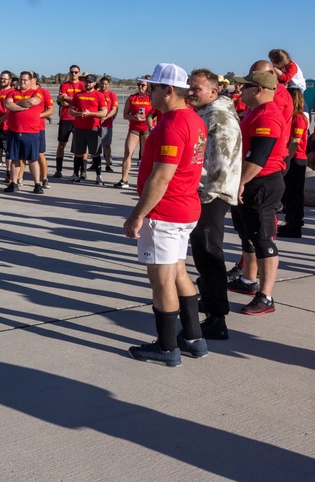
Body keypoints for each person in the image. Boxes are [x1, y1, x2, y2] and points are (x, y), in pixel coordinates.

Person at [123, 63, 208, 367]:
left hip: (165, 211)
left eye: (154, 88)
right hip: (185, 207)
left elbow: (161, 178)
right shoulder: (193, 119)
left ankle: (167, 346)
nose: (148, 93)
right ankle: (194, 338)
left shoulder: (173, 124)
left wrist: (137, 215)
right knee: (179, 272)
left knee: (161, 280)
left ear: (168, 90)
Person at [227, 70, 288, 316]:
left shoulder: (268, 116)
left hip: (260, 182)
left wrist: (241, 182)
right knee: (248, 236)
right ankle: (248, 281)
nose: (240, 91)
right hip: (249, 181)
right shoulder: (254, 112)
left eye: (246, 87)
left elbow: (260, 157)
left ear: (259, 89)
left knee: (264, 240)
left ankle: (266, 296)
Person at [186, 69, 242, 340]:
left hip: (211, 195)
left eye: (196, 88)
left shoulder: (218, 117)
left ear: (213, 91)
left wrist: (203, 196)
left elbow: (219, 166)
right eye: (190, 87)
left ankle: (217, 318)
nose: (191, 91)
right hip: (206, 194)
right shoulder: (207, 113)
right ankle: (209, 302)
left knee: (209, 254)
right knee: (202, 253)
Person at [3, 71, 45, 194]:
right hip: (14, 131)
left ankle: (37, 184)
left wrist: (15, 105)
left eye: (25, 80)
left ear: (31, 81)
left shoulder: (37, 92)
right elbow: (8, 105)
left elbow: (32, 102)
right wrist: (21, 106)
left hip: (30, 132)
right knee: (14, 158)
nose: (22, 82)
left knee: (33, 159)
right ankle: (14, 183)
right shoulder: (11, 92)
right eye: (21, 79)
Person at [278, 87, 308, 238]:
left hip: (295, 160)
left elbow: (295, 142)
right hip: (292, 159)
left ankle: (294, 225)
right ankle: (290, 221)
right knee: (288, 194)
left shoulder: (298, 119)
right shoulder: (292, 118)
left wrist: (285, 161)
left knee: (294, 195)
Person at [68, 74, 107, 185]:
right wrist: (79, 113)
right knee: (78, 153)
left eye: (90, 82)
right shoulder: (78, 95)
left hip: (93, 128)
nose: (87, 84)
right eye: (86, 81)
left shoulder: (99, 95)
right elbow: (71, 111)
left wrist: (91, 114)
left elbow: (103, 112)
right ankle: (75, 174)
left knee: (95, 153)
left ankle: (99, 176)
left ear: (94, 83)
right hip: (79, 128)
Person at [115, 80, 154, 189]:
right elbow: (125, 115)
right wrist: (134, 117)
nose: (140, 87)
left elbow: (156, 114)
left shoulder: (151, 98)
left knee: (147, 155)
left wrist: (146, 119)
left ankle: (147, 180)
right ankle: (124, 179)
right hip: (134, 128)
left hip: (147, 128)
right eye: (139, 85)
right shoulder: (132, 98)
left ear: (147, 86)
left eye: (143, 85)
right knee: (128, 151)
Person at [54, 65, 86, 178]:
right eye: (72, 72)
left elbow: (82, 100)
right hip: (66, 117)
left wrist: (69, 99)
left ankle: (83, 171)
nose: (74, 74)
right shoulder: (64, 85)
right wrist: (69, 99)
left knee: (81, 146)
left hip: (79, 118)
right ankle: (58, 170)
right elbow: (62, 98)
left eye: (76, 72)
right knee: (61, 144)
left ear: (79, 73)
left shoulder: (82, 85)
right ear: (69, 73)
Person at [98, 77, 119, 170]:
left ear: (108, 84)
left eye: (105, 84)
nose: (103, 85)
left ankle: (107, 164)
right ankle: (95, 163)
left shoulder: (112, 95)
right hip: (96, 124)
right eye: (102, 83)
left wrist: (106, 117)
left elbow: (114, 109)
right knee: (96, 145)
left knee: (107, 145)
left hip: (107, 124)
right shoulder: (96, 93)